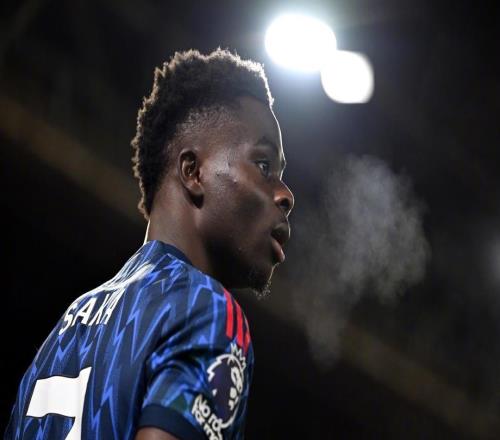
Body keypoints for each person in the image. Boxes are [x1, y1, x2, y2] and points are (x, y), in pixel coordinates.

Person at [5, 48, 294, 440]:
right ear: (193, 172)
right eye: (263, 165)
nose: (285, 195)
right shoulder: (205, 310)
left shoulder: (63, 332)